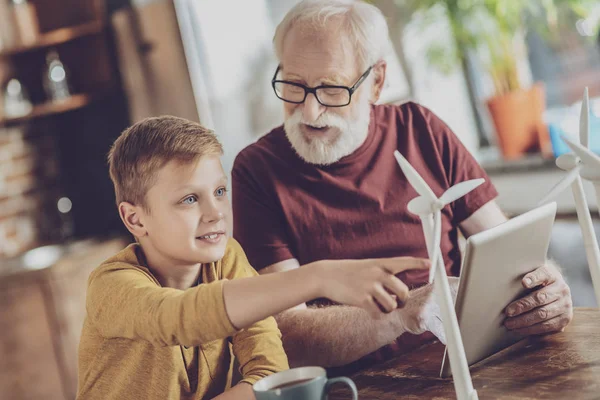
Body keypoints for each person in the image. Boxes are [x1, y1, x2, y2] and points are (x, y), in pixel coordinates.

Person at [232, 0, 573, 371]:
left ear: (376, 81)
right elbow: (289, 337)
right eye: (294, 86)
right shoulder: (256, 171)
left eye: (331, 89)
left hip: (465, 361)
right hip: (357, 386)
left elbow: (507, 250)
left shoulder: (422, 130)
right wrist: (401, 314)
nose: (310, 112)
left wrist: (545, 288)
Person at [76, 116, 429, 399]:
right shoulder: (111, 286)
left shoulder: (226, 259)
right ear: (135, 219)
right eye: (189, 199)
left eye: (218, 191)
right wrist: (318, 276)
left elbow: (269, 370)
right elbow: (178, 318)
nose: (215, 213)